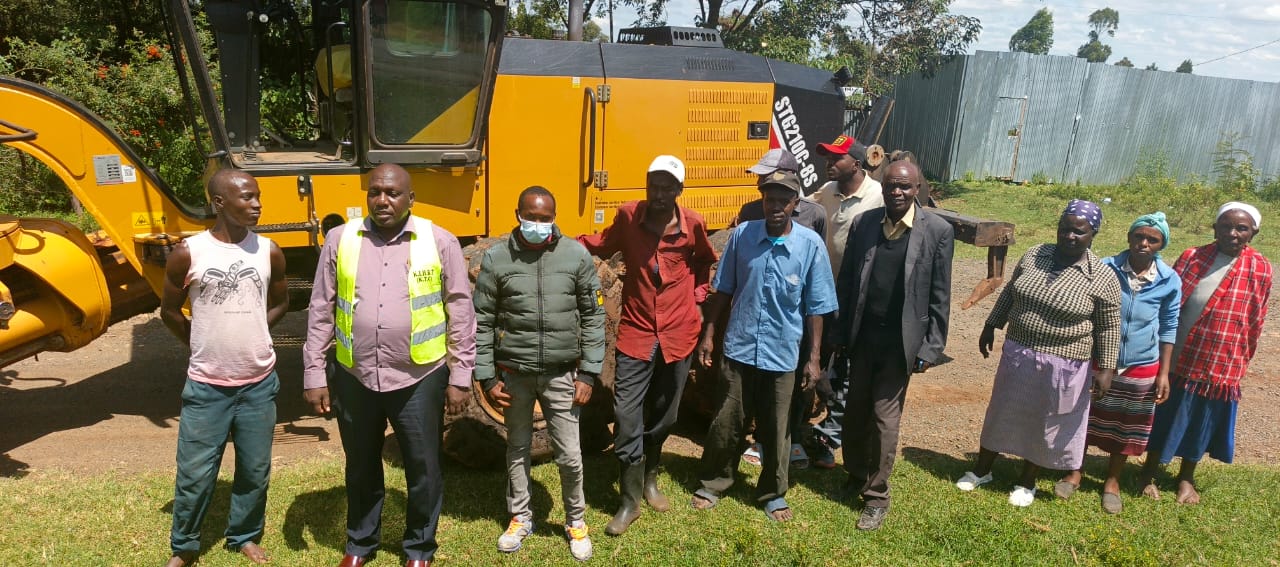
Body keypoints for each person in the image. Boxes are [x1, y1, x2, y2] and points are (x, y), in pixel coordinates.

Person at [302, 164, 476, 567]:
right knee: (361, 465)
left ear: (410, 198)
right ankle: (360, 543)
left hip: (419, 377)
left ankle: (419, 549)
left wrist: (461, 375)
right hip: (355, 375)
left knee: (423, 467)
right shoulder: (340, 239)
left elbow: (461, 310)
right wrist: (314, 372)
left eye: (393, 193)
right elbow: (321, 307)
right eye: (375, 192)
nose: (383, 200)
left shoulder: (440, 241)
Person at [578, 155, 717, 536]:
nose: (658, 194)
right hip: (637, 332)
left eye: (667, 187)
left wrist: (698, 298)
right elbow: (602, 243)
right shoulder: (628, 216)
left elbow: (704, 262)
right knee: (627, 414)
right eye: (653, 185)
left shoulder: (693, 224)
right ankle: (629, 501)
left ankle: (650, 478)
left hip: (679, 332)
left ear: (679, 190)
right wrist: (563, 243)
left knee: (665, 414)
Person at [690, 170, 838, 522]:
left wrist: (814, 358)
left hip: (782, 352)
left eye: (783, 200)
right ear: (762, 200)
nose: (775, 206)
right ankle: (714, 482)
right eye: (769, 199)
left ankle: (772, 492)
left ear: (795, 204)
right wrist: (708, 334)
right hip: (739, 347)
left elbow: (817, 307)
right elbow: (723, 289)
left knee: (776, 426)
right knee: (727, 419)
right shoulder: (742, 235)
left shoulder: (809, 245)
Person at [159, 170, 288, 567]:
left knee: (255, 469)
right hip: (207, 387)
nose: (257, 204)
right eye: (247, 197)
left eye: (258, 196)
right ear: (218, 202)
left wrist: (255, 331)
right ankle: (185, 546)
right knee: (195, 474)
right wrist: (199, 342)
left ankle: (244, 535)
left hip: (258, 385)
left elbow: (281, 302)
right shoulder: (189, 253)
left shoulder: (268, 251)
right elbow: (169, 311)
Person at [956, 199, 1121, 508]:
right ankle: (982, 469)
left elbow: (1109, 326)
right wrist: (991, 324)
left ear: (1093, 235)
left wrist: (1108, 368)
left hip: (1066, 361)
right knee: (1003, 410)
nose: (1069, 236)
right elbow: (1010, 291)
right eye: (1064, 229)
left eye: (1079, 232)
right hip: (1020, 352)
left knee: (1046, 420)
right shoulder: (1035, 254)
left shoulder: (1101, 276)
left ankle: (1027, 480)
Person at [473, 186, 605, 561]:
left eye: (545, 219)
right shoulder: (497, 258)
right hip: (513, 375)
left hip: (562, 375)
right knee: (517, 449)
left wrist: (588, 373)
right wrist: (487, 377)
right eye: (531, 217)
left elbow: (594, 316)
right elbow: (482, 321)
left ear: (554, 218)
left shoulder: (575, 256)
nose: (537, 224)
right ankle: (520, 517)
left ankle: (575, 521)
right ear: (517, 215)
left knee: (570, 454)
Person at [830, 160, 954, 530]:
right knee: (855, 412)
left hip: (901, 344)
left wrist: (931, 347)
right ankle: (855, 473)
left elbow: (940, 295)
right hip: (863, 337)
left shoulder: (937, 231)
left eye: (905, 186)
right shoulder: (865, 224)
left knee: (885, 419)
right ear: (882, 188)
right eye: (891, 186)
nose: (897, 192)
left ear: (918, 190)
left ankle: (876, 496)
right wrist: (839, 333)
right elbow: (847, 281)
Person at [1137, 202, 1272, 505]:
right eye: (1226, 226)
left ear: (1253, 233)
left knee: (1201, 420)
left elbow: (1256, 318)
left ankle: (1186, 478)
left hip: (1221, 360)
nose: (1233, 233)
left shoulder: (1261, 267)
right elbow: (1168, 302)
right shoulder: (1192, 257)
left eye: (1241, 228)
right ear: (1215, 228)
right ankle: (1148, 472)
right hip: (1179, 354)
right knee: (1163, 413)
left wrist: (1242, 359)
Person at [1057, 212, 1181, 514]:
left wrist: (1164, 373)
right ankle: (1074, 471)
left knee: (1127, 425)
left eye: (1153, 240)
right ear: (1129, 237)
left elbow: (1169, 326)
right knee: (1084, 417)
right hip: (1100, 358)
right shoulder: (1105, 268)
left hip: (1142, 363)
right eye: (1139, 236)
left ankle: (1112, 481)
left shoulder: (1169, 280)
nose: (1144, 243)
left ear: (1161, 245)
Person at [734, 148, 826, 470]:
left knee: (794, 387)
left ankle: (793, 439)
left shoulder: (814, 216)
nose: (760, 183)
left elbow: (816, 278)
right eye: (764, 187)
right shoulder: (749, 213)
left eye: (765, 176)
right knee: (756, 386)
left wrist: (814, 351)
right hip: (756, 319)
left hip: (793, 321)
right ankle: (758, 440)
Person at [806, 135, 884, 469]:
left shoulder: (878, 197)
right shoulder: (828, 190)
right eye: (827, 157)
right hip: (823, 295)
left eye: (836, 158)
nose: (829, 163)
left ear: (856, 163)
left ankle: (829, 437)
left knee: (847, 370)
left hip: (856, 300)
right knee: (817, 361)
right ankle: (803, 426)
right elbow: (801, 206)